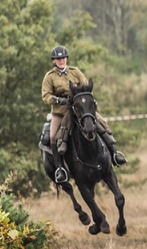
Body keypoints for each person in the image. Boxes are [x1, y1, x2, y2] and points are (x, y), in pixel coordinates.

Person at [42, 45, 127, 183]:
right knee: (52, 136)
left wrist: (82, 97)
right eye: (58, 59)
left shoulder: (75, 72)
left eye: (63, 58)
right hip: (61, 112)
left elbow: (86, 86)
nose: (61, 61)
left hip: (80, 109)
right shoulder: (49, 77)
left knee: (102, 124)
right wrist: (59, 100)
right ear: (54, 61)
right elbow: (45, 96)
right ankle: (60, 169)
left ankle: (115, 154)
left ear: (66, 58)